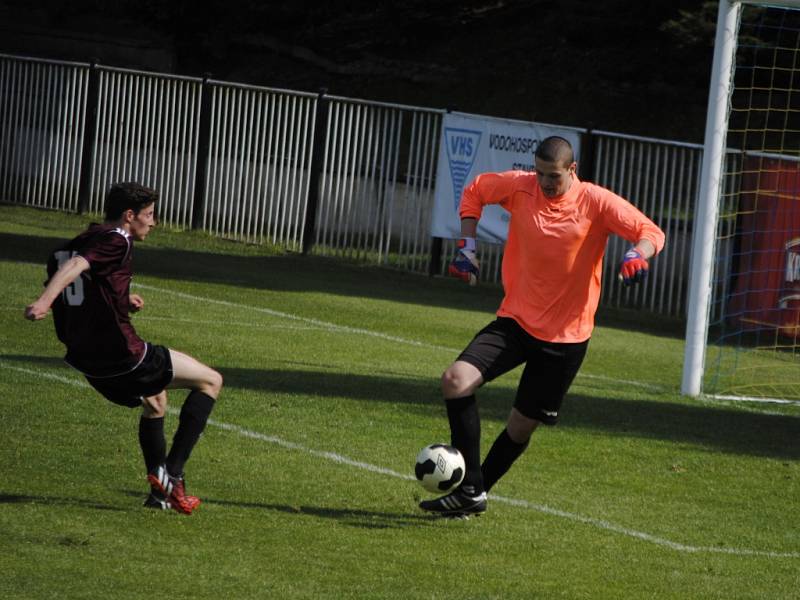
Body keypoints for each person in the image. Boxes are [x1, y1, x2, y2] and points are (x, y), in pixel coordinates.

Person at [419, 136, 665, 517]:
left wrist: (637, 255)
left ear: (572, 170)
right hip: (515, 321)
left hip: (565, 340)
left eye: (553, 176)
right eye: (540, 173)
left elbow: (650, 232)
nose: (545, 182)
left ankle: (473, 492)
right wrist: (467, 244)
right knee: (455, 380)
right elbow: (476, 190)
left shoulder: (595, 202)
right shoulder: (521, 186)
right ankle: (471, 488)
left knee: (519, 428)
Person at [24, 182, 222, 515]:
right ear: (129, 215)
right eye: (149, 215)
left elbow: (79, 283)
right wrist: (44, 302)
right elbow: (76, 270)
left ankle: (158, 497)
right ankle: (172, 474)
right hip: (124, 354)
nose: (153, 222)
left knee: (155, 402)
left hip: (87, 361)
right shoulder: (118, 238)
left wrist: (120, 300)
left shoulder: (70, 245)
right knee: (211, 380)